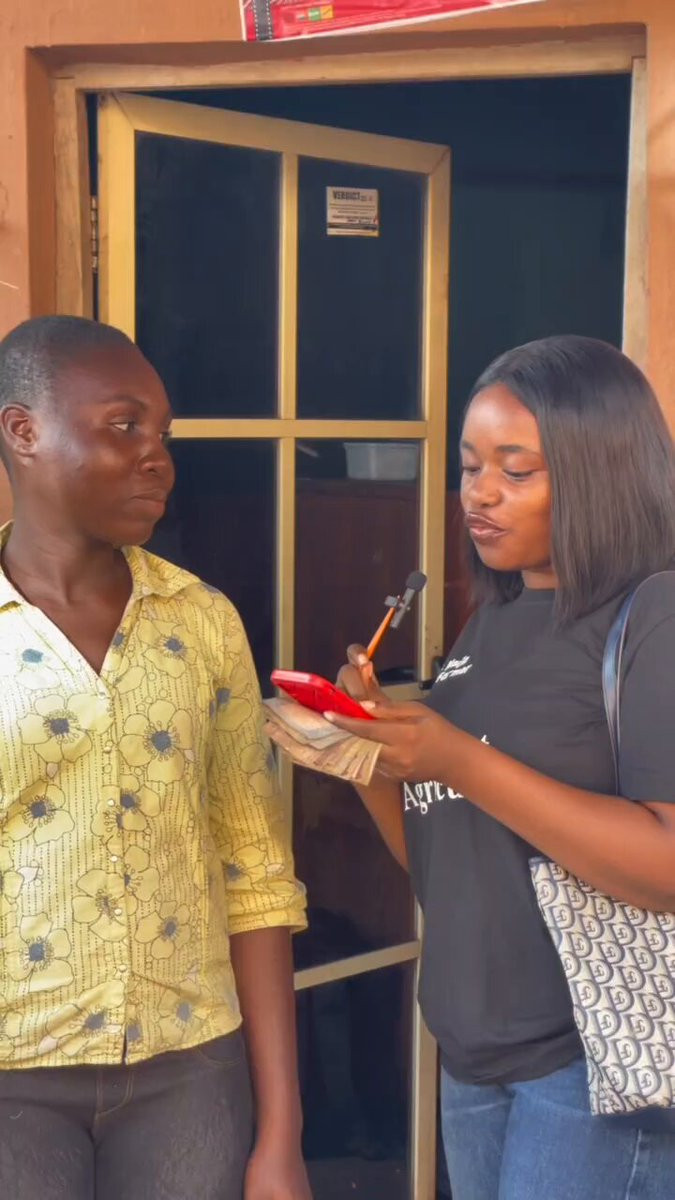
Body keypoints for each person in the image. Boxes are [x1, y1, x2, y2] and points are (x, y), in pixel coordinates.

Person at [331, 336, 675, 1200]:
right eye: (468, 466)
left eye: (515, 471)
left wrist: (456, 757)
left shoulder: (652, 617)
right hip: (473, 1056)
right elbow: (443, 859)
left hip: (591, 1065)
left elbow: (666, 865)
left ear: (599, 474)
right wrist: (364, 752)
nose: (478, 494)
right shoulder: (495, 616)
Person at [0, 316, 311, 1200]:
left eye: (162, 434)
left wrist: (281, 1135)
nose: (157, 458)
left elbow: (255, 871)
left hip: (189, 1073)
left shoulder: (202, 622)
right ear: (23, 431)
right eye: (123, 426)